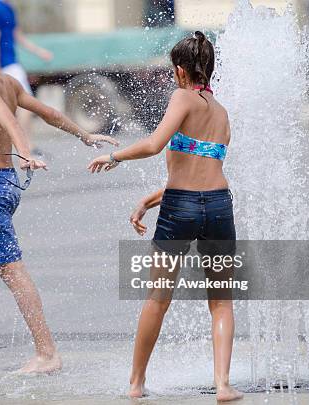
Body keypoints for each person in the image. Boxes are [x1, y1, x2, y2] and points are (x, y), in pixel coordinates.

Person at [0, 16, 118, 374]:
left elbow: (7, 119)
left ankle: (47, 353)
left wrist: (26, 150)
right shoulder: (8, 81)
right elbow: (47, 112)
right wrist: (84, 136)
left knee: (11, 269)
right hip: (0, 186)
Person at [88, 32, 243, 401]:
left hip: (182, 208)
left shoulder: (182, 96)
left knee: (158, 298)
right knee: (221, 303)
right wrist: (149, 200)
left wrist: (114, 157)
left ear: (179, 70)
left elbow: (156, 144)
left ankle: (136, 384)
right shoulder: (220, 112)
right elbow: (201, 171)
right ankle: (223, 385)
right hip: (219, 206)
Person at [0, 0, 53, 154]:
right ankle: (25, 145)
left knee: (16, 106)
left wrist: (39, 51)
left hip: (11, 63)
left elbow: (17, 36)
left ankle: (24, 144)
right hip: (7, 65)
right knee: (26, 105)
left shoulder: (9, 8)